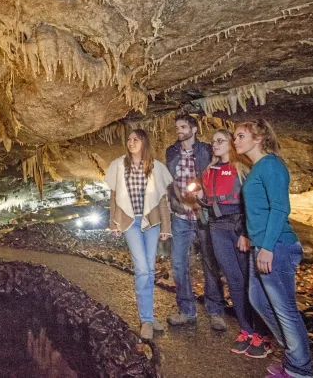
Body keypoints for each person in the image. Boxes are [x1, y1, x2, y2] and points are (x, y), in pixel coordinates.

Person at [234, 119, 313, 378]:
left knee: (285, 309)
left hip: (277, 246)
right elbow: (258, 211)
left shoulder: (271, 166)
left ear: (258, 138)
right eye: (234, 136)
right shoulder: (257, 168)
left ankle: (301, 369)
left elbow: (280, 208)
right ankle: (295, 355)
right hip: (262, 245)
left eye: (240, 135)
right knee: (257, 300)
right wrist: (249, 235)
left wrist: (267, 247)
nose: (235, 140)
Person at [194, 129, 270, 357]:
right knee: (234, 280)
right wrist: (201, 199)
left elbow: (251, 203)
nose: (215, 145)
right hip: (218, 229)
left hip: (239, 228)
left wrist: (247, 232)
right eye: (213, 142)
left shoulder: (243, 169)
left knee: (251, 281)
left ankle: (262, 333)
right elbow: (210, 203)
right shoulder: (209, 171)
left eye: (220, 141)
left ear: (230, 144)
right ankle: (246, 330)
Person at [105, 128, 173, 340]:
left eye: (136, 139)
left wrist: (166, 227)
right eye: (129, 139)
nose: (131, 142)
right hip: (130, 221)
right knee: (142, 268)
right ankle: (145, 320)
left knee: (150, 269)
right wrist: (113, 223)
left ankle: (149, 317)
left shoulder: (155, 167)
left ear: (144, 142)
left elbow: (162, 200)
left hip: (151, 222)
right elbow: (114, 196)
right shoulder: (118, 165)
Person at [165, 114, 226, 330]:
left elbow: (216, 176)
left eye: (183, 127)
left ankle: (215, 311)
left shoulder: (206, 151)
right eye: (177, 127)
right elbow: (169, 182)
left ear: (194, 129)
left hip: (203, 215)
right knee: (179, 264)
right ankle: (186, 310)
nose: (178, 130)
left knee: (210, 262)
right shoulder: (171, 152)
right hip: (180, 215)